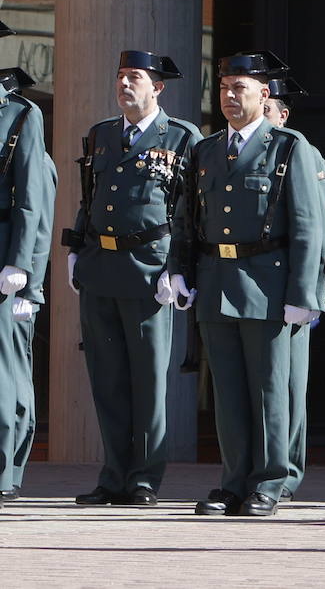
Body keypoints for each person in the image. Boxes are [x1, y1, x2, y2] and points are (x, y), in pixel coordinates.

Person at [170, 50, 325, 517]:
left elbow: (307, 226)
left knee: (271, 390)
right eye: (224, 88)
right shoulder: (206, 149)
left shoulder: (289, 147)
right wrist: (180, 271)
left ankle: (271, 481)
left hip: (270, 286)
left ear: (264, 93)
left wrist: (304, 293)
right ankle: (233, 481)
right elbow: (186, 219)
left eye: (241, 88)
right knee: (229, 393)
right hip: (218, 282)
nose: (231, 96)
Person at [62, 50, 201, 507]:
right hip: (101, 268)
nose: (124, 85)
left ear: (157, 87)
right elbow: (90, 195)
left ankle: (144, 477)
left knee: (147, 381)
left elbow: (189, 212)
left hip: (149, 270)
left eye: (134, 77)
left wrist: (176, 268)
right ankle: (113, 475)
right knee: (108, 379)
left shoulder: (180, 137)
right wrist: (76, 250)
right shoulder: (102, 134)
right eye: (120, 76)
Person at [262, 76, 325, 500]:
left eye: (269, 110)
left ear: (283, 115)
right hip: (259, 283)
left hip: (294, 284)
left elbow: (321, 227)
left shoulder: (301, 151)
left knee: (289, 382)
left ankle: (287, 469)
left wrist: (315, 287)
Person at [0, 59, 50, 507]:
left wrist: (22, 266)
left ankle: (4, 471)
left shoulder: (19, 114)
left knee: (4, 371)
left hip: (1, 257)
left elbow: (31, 198)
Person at [7, 149, 54, 500]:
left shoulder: (36, 161)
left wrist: (32, 288)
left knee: (15, 374)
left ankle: (14, 464)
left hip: (20, 291)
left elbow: (40, 227)